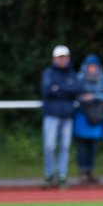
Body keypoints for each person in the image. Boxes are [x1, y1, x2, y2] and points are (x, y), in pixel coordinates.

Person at [40, 44, 80, 189]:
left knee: (65, 147)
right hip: (51, 114)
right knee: (49, 146)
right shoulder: (49, 73)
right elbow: (47, 91)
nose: (63, 60)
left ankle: (62, 175)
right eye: (60, 57)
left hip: (67, 115)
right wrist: (65, 90)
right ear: (54, 58)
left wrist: (59, 88)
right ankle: (49, 174)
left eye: (65, 57)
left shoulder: (71, 74)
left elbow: (75, 90)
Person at [73, 54, 103, 185]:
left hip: (96, 115)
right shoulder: (80, 77)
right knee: (82, 145)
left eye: (94, 66)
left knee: (93, 145)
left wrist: (93, 96)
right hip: (83, 115)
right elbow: (75, 94)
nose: (92, 68)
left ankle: (90, 172)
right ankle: (82, 172)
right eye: (89, 66)